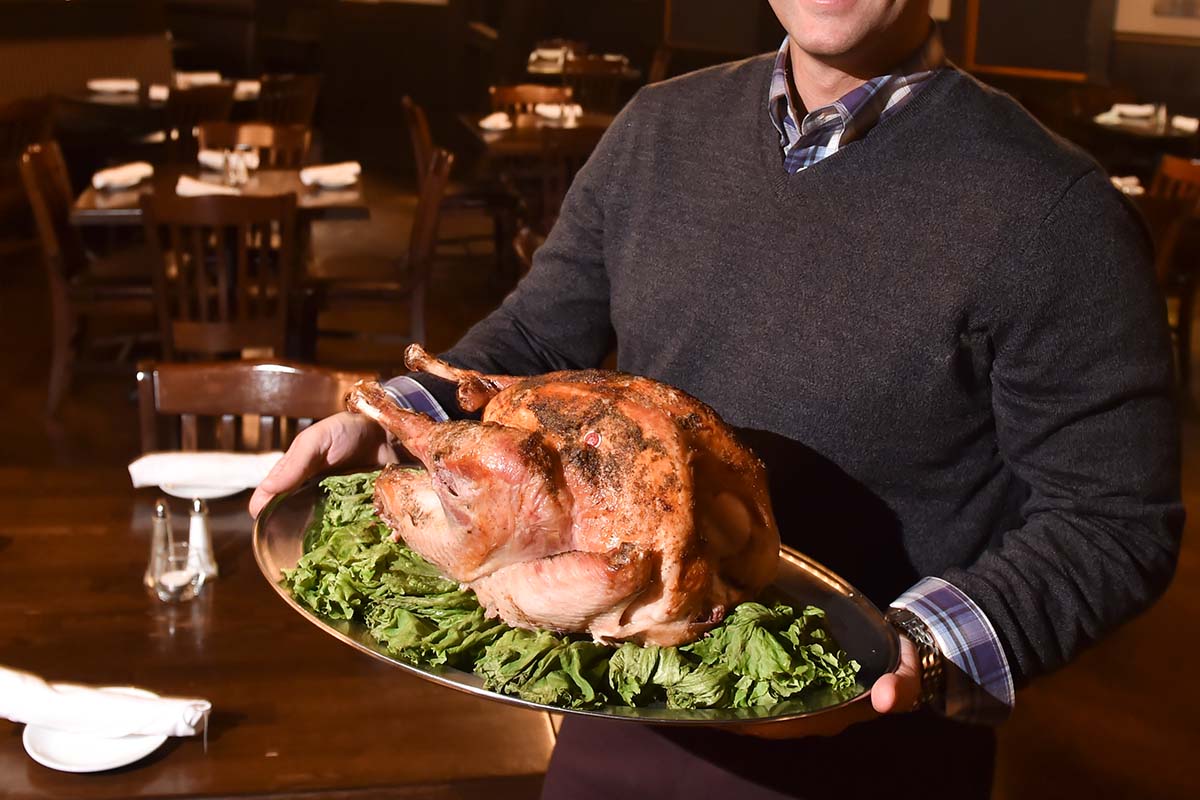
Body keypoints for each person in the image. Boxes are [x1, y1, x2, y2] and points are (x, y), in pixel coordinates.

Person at [251, 1, 1183, 797]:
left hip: (867, 755)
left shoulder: (1054, 210)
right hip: (609, 703)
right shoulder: (659, 129)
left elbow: (1110, 518)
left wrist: (915, 655)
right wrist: (391, 423)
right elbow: (535, 341)